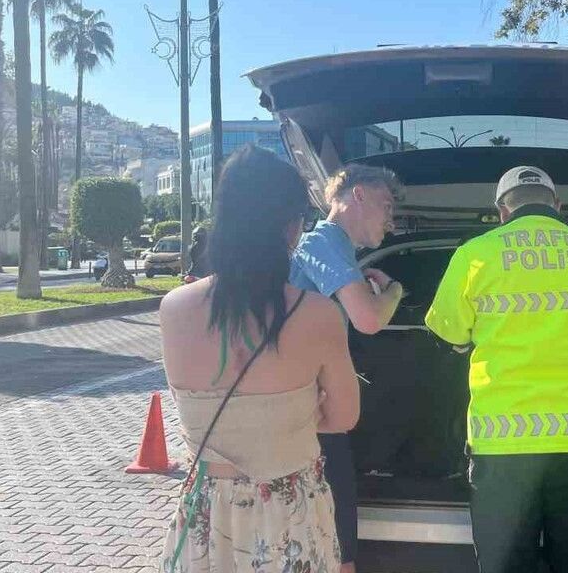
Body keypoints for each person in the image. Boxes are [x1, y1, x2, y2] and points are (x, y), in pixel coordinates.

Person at [158, 145, 358, 572]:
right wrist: (290, 417)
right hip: (291, 513)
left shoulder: (174, 309)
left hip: (207, 515)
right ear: (291, 227)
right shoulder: (318, 314)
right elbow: (343, 416)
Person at [425, 165, 568, 573]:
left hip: (502, 445)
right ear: (558, 205)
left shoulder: (474, 255)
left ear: (502, 210)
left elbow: (448, 331)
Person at [289, 163, 405, 573]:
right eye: (386, 205)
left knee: (334, 538)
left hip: (312, 410)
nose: (391, 220)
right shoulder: (324, 241)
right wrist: (394, 292)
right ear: (358, 195)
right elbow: (368, 320)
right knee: (337, 545)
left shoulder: (333, 250)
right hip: (308, 417)